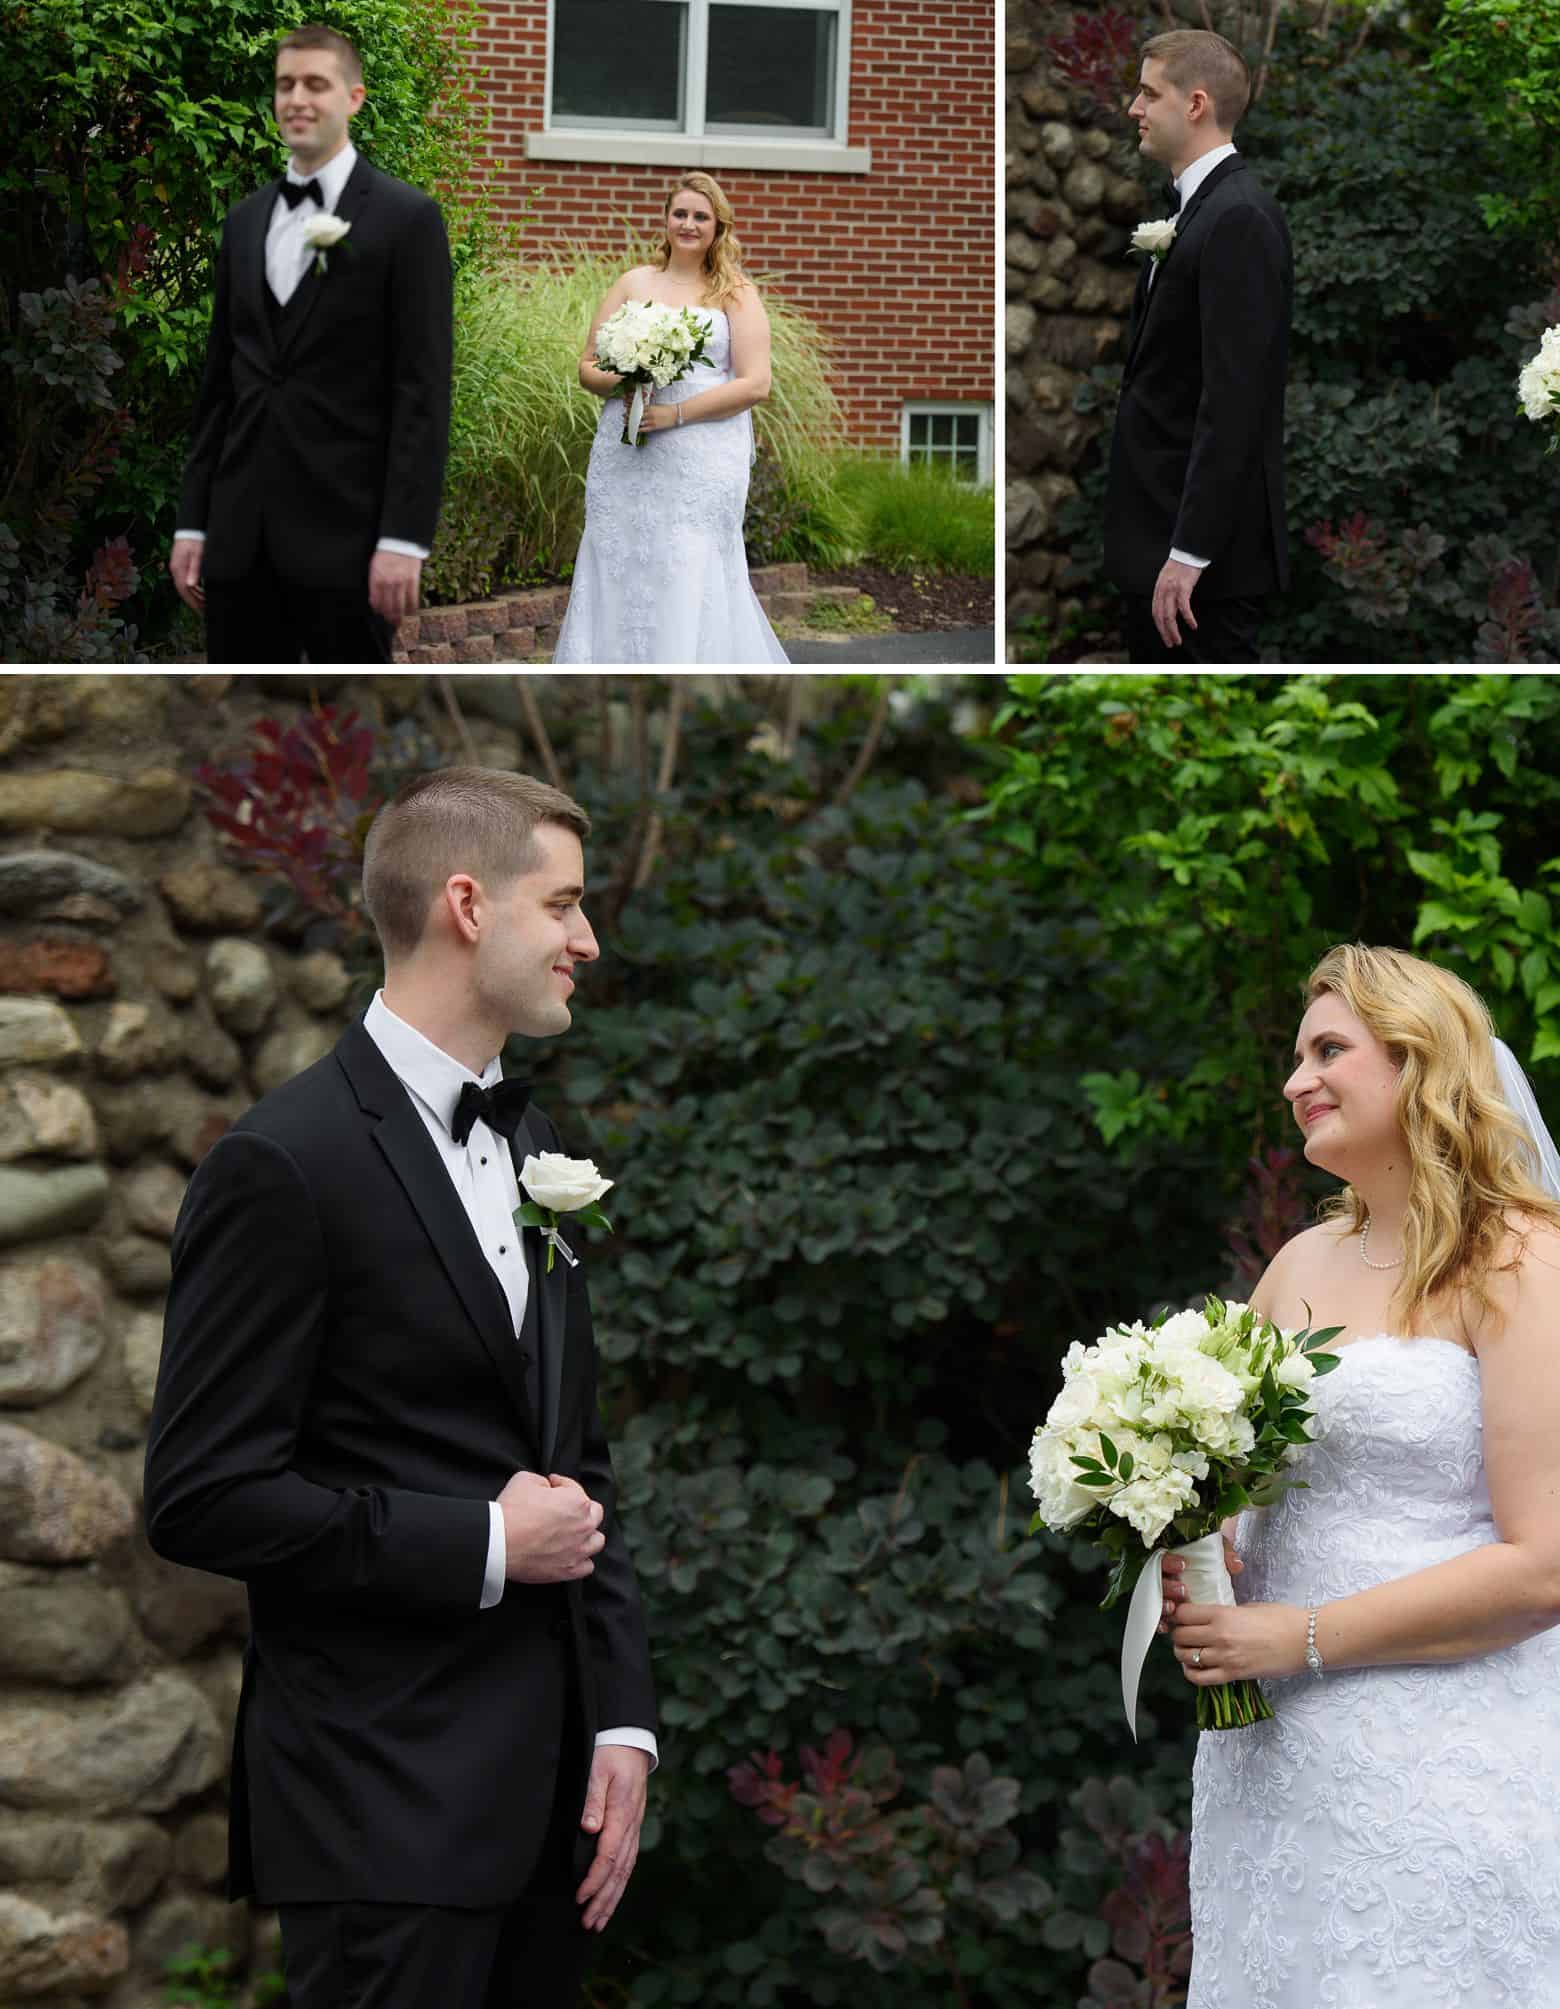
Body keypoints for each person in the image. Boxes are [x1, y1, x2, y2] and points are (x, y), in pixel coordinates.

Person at [144, 767, 657, 2008]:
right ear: (468, 905)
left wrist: (623, 1725)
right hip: (381, 1813)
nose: (588, 940)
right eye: (566, 905)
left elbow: (574, 1465)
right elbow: (203, 1495)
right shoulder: (283, 1163)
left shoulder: (532, 1149)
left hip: (556, 1819)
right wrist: (481, 1539)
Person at [1161, 943, 1560, 2008]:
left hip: (1451, 1766)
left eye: (1327, 1049)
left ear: (1416, 1063)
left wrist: (1297, 1634)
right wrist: (1200, 1558)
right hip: (1278, 1774)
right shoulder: (1298, 1265)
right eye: (1295, 1054)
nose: (1294, 1079)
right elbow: (1245, 1491)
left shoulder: (1524, 1263)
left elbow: (1555, 1562)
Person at [170, 24, 452, 663]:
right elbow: (219, 387)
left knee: (349, 717)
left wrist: (403, 540)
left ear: (353, 97)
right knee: (246, 719)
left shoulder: (407, 220)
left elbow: (424, 392)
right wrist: (194, 523)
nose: (297, 98)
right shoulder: (244, 222)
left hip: (348, 541)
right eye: (285, 85)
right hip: (240, 541)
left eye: (315, 84)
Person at [1103, 29, 1292, 665]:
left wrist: (1188, 554)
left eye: (1148, 93)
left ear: (1195, 105)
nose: (1134, 108)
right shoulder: (1197, 211)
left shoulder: (1239, 217)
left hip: (1199, 565)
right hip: (1158, 539)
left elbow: (1235, 399)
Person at [554, 171, 788, 663]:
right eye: (679, 213)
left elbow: (755, 383)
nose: (688, 224)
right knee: (620, 557)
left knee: (686, 562)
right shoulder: (634, 282)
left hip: (700, 452)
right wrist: (626, 378)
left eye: (700, 216)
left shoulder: (736, 292)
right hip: (628, 448)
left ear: (717, 226)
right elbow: (587, 366)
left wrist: (674, 414)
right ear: (665, 220)